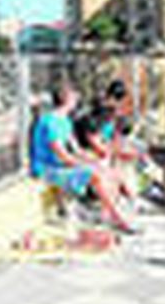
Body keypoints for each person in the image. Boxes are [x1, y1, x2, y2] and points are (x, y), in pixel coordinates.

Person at [32, 82, 136, 233]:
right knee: (96, 174)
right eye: (74, 97)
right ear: (65, 99)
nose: (77, 99)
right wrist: (88, 165)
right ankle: (117, 219)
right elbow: (63, 156)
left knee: (110, 171)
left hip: (61, 166)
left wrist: (93, 161)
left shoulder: (65, 121)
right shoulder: (51, 122)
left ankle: (108, 213)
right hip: (48, 170)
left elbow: (76, 150)